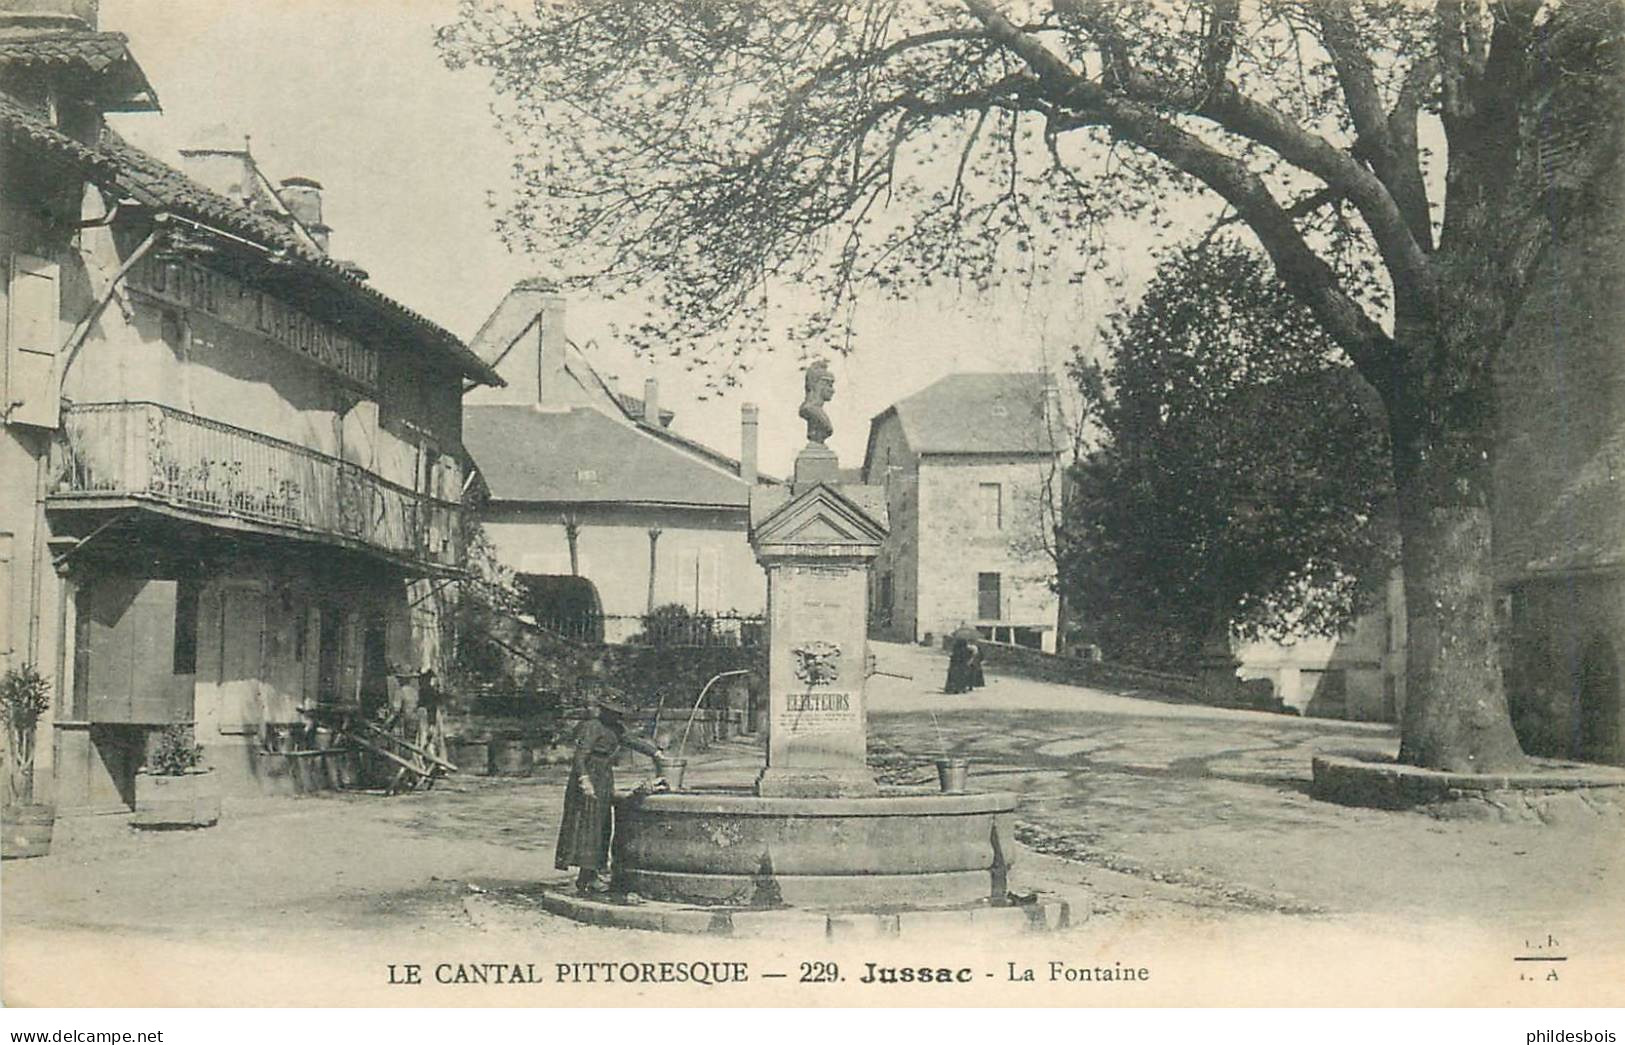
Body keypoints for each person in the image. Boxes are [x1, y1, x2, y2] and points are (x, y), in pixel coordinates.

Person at [554, 694, 663, 895]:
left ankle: (587, 877)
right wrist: (584, 781)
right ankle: (588, 877)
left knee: (602, 825)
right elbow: (579, 757)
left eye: (618, 713)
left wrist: (654, 752)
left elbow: (632, 741)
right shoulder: (592, 726)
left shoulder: (615, 728)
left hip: (604, 775)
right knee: (589, 826)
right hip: (589, 775)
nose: (615, 716)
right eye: (612, 712)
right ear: (604, 710)